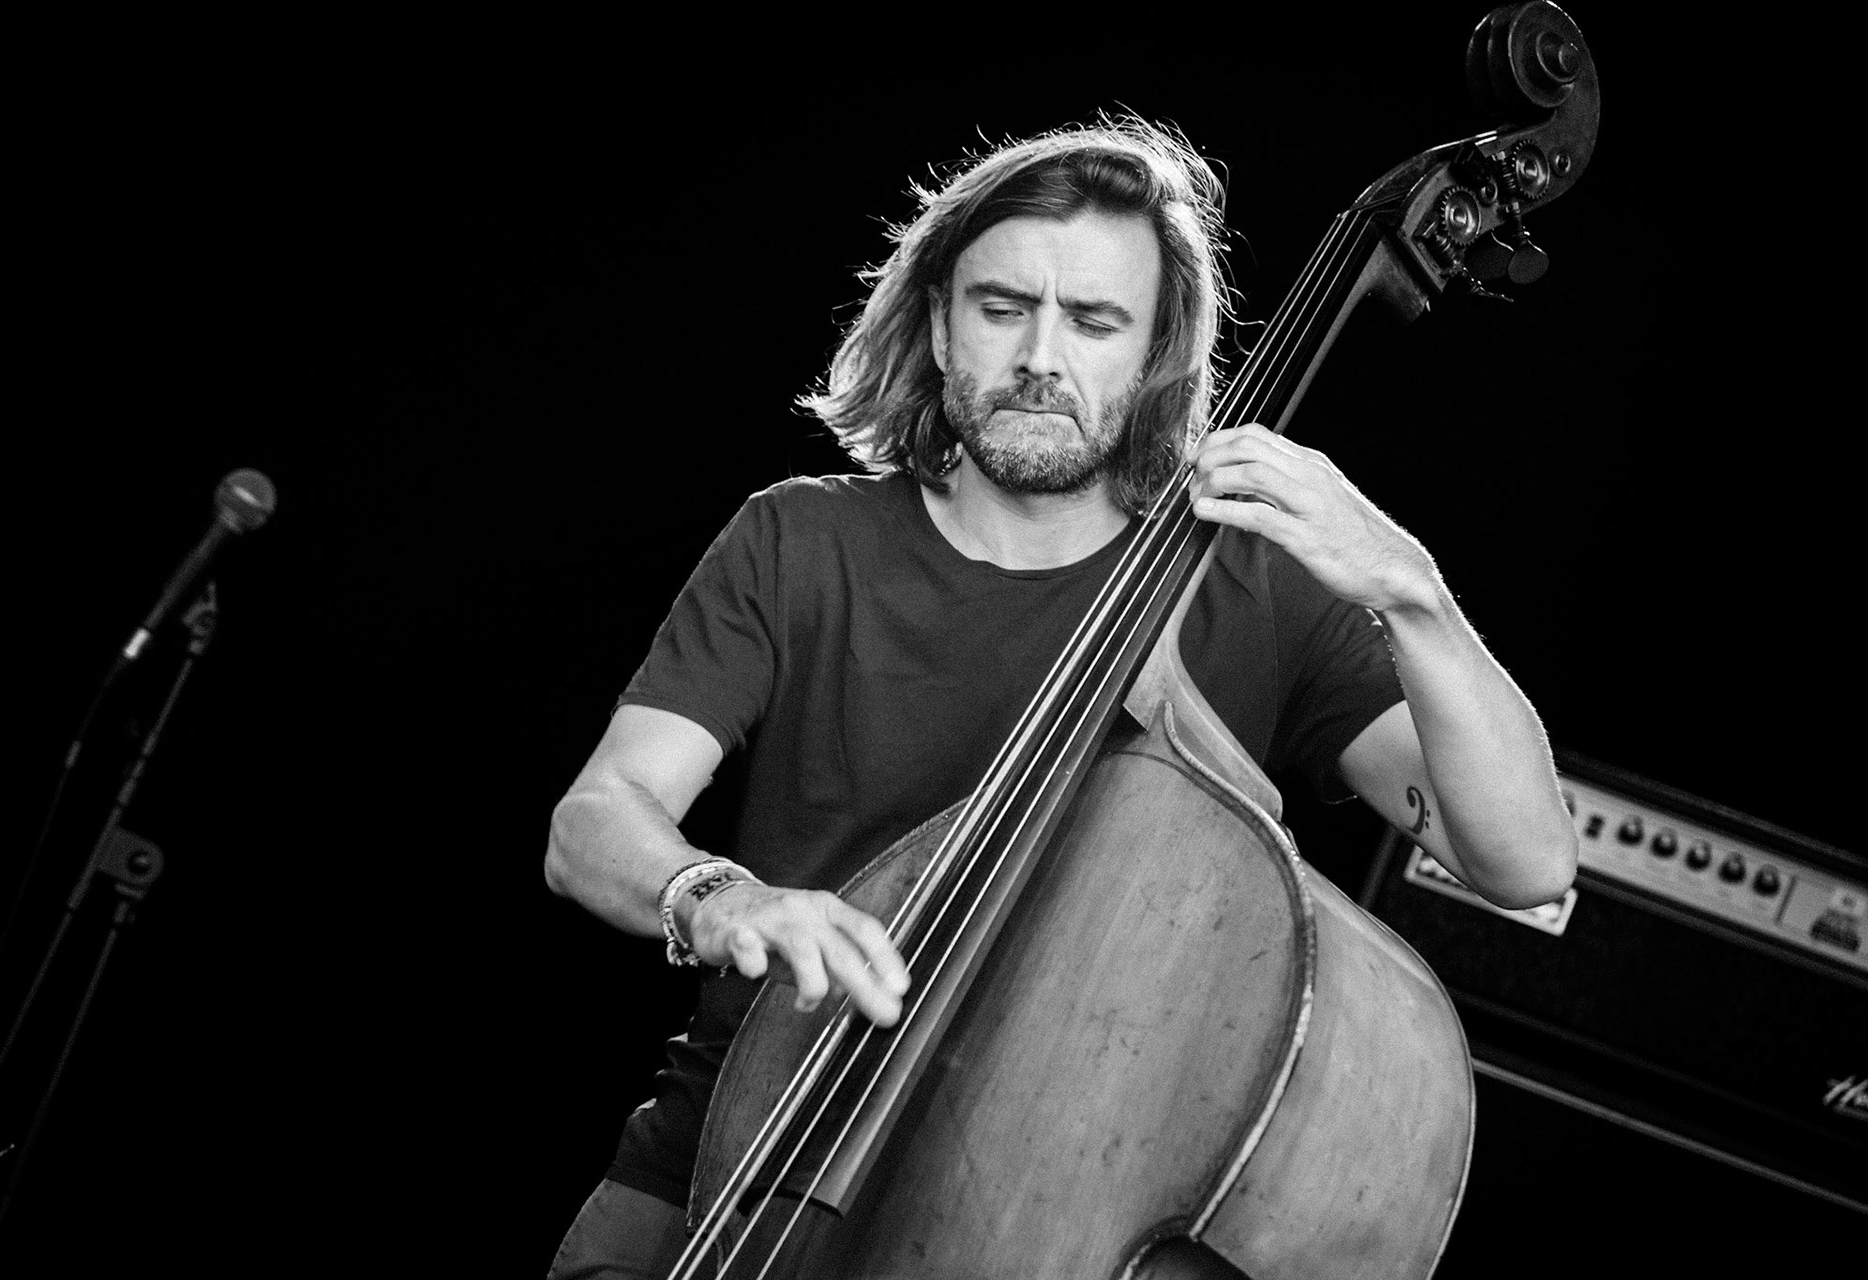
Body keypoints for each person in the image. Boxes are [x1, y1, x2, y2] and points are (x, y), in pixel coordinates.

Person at [542, 116, 1576, 1278]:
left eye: (1093, 321)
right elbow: (594, 821)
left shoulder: (1259, 585)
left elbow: (1526, 859)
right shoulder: (800, 538)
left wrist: (1414, 593)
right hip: (717, 1183)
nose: (1042, 355)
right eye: (1001, 308)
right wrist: (720, 899)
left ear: (1157, 353)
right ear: (939, 324)